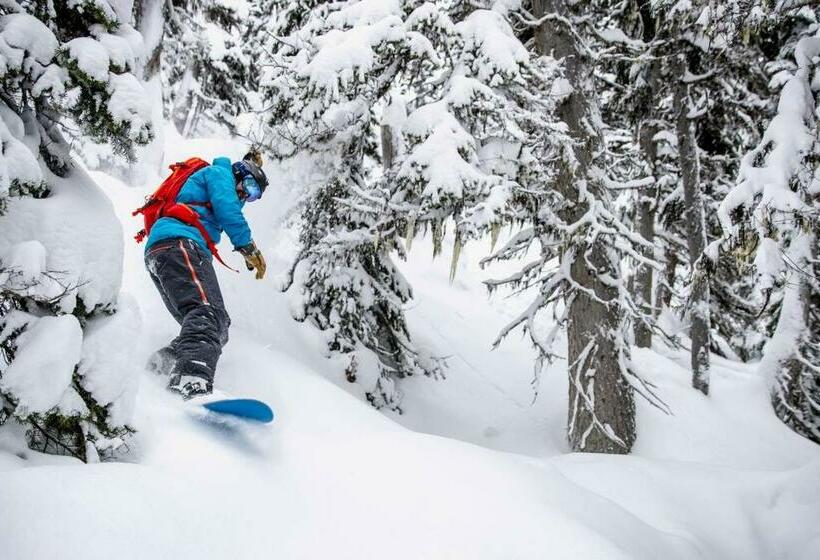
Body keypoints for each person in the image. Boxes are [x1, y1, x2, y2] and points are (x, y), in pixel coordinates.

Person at [144, 152, 268, 399]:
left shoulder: (222, 181)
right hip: (180, 243)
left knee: (217, 322)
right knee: (206, 314)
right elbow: (228, 209)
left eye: (255, 196)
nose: (248, 195)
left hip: (168, 250)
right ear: (239, 173)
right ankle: (190, 378)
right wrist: (248, 247)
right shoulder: (219, 173)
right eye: (250, 187)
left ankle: (160, 368)